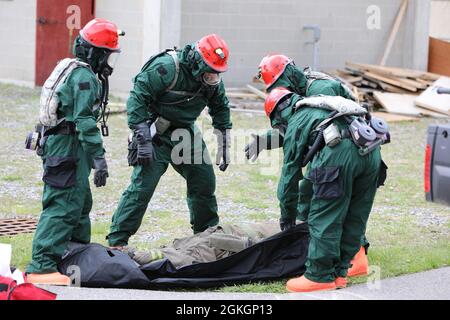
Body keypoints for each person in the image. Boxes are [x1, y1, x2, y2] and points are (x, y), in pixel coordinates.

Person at [245, 54, 370, 277]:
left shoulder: (319, 90)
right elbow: (299, 129)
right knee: (310, 197)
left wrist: (286, 217)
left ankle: (352, 255)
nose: (279, 89)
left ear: (289, 74)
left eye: (279, 84)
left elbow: (304, 130)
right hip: (345, 147)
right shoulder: (301, 92)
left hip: (345, 149)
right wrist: (266, 139)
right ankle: (312, 248)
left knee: (333, 202)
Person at [107, 34, 232, 248]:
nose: (213, 76)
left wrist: (224, 142)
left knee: (204, 182)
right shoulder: (166, 68)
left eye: (216, 72)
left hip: (185, 132)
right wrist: (143, 139)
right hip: (155, 132)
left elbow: (220, 107)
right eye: (209, 70)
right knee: (143, 187)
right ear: (197, 62)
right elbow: (138, 97)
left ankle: (206, 236)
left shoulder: (211, 78)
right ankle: (117, 241)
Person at [26, 18, 123, 285]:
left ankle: (72, 253)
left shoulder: (76, 70)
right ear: (96, 53)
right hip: (68, 146)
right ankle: (41, 266)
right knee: (63, 205)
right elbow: (84, 121)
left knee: (79, 202)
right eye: (108, 56)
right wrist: (99, 158)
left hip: (69, 147)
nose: (109, 63)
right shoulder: (83, 76)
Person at [263, 88, 386, 292]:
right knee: (355, 216)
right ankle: (340, 273)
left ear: (278, 114)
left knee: (325, 215)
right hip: (373, 152)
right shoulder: (321, 104)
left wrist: (287, 216)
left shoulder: (297, 118)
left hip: (339, 154)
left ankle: (319, 276)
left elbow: (290, 175)